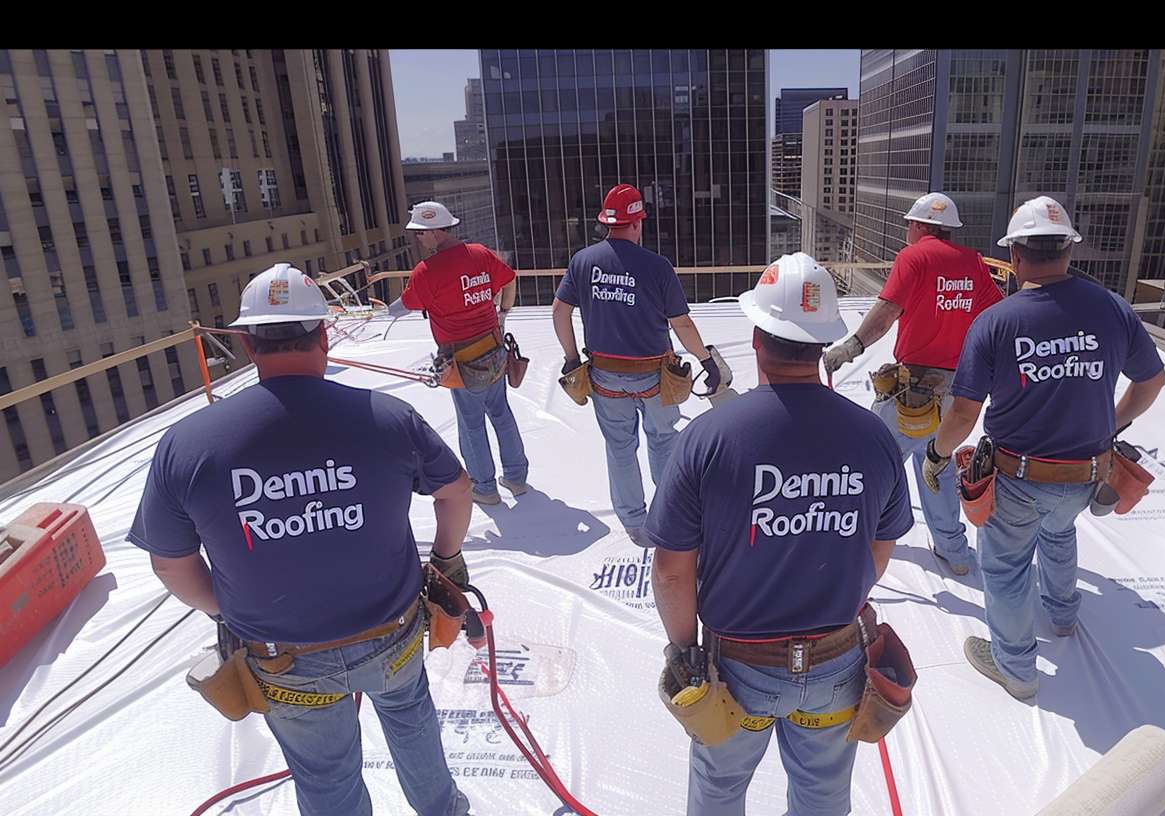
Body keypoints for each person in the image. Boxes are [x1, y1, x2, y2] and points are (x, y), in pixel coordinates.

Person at [129, 263, 475, 816]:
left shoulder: (188, 444)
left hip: (283, 657)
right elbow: (456, 490)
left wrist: (231, 608)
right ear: (324, 334)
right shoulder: (389, 418)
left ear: (245, 344)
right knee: (411, 720)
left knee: (326, 779)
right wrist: (446, 559)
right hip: (393, 636)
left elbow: (171, 565)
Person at [648, 252, 914, 816]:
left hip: (738, 666)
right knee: (821, 797)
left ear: (755, 337)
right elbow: (880, 549)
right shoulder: (872, 436)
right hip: (838, 664)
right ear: (823, 344)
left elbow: (673, 569)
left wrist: (683, 649)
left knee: (719, 793)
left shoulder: (709, 437)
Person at [922, 197, 1165, 699]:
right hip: (1087, 474)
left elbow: (964, 413)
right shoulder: (1111, 308)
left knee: (1007, 567)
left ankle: (1016, 667)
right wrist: (1109, 425)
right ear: (1067, 250)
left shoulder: (998, 321)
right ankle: (1061, 615)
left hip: (1019, 478)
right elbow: (1152, 381)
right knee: (1058, 533)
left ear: (1014, 256)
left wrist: (937, 455)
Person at [823, 192, 1003, 575]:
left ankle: (854, 538)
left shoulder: (914, 257)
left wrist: (852, 346)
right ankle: (953, 552)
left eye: (910, 224)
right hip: (959, 390)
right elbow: (994, 315)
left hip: (912, 389)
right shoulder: (973, 263)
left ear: (921, 226)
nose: (907, 230)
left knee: (873, 461)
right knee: (937, 464)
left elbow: (887, 311)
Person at [552, 183, 726, 545]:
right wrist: (705, 359)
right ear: (638, 222)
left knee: (619, 446)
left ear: (606, 223)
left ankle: (635, 524)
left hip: (604, 376)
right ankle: (670, 514)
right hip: (654, 376)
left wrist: (572, 359)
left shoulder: (583, 261)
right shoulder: (656, 267)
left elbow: (560, 311)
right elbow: (682, 324)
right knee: (663, 441)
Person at [396, 199, 528, 506]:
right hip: (493, 349)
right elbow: (509, 279)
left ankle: (484, 487)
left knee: (471, 422)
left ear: (435, 232)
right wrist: (503, 313)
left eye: (421, 232)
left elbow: (406, 305)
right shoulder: (480, 254)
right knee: (501, 412)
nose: (418, 238)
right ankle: (517, 478)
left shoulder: (425, 272)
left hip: (461, 359)